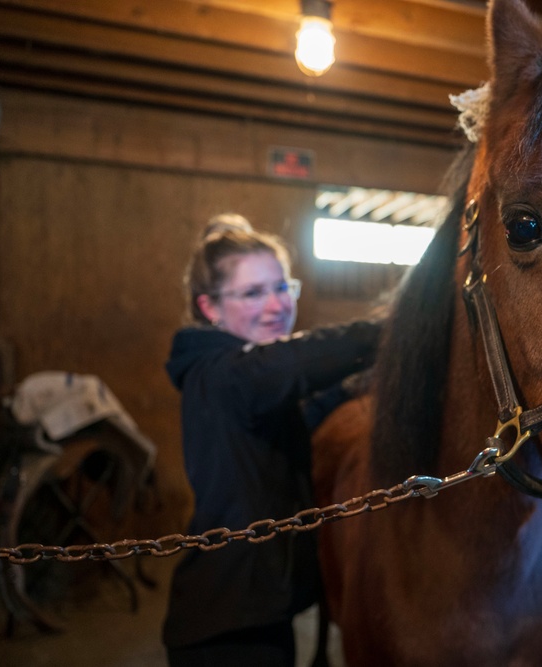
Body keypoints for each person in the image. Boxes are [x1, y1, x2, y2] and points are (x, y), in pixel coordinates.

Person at [162, 214, 382, 667]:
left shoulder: (237, 378)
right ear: (210, 308)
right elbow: (291, 365)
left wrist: (352, 389)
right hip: (226, 628)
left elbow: (292, 416)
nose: (275, 304)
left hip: (258, 612)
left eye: (282, 287)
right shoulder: (220, 373)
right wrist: (392, 332)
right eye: (252, 293)